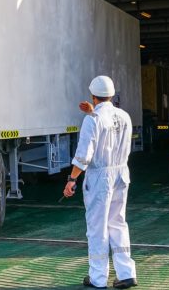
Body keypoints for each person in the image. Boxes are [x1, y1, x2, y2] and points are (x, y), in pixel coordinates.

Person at [63, 75, 137, 289]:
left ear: (93, 96)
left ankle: (98, 278)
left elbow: (84, 154)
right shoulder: (124, 116)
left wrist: (72, 179)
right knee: (118, 223)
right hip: (121, 173)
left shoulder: (92, 119)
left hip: (100, 177)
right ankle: (126, 273)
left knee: (97, 227)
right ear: (112, 95)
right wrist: (93, 112)